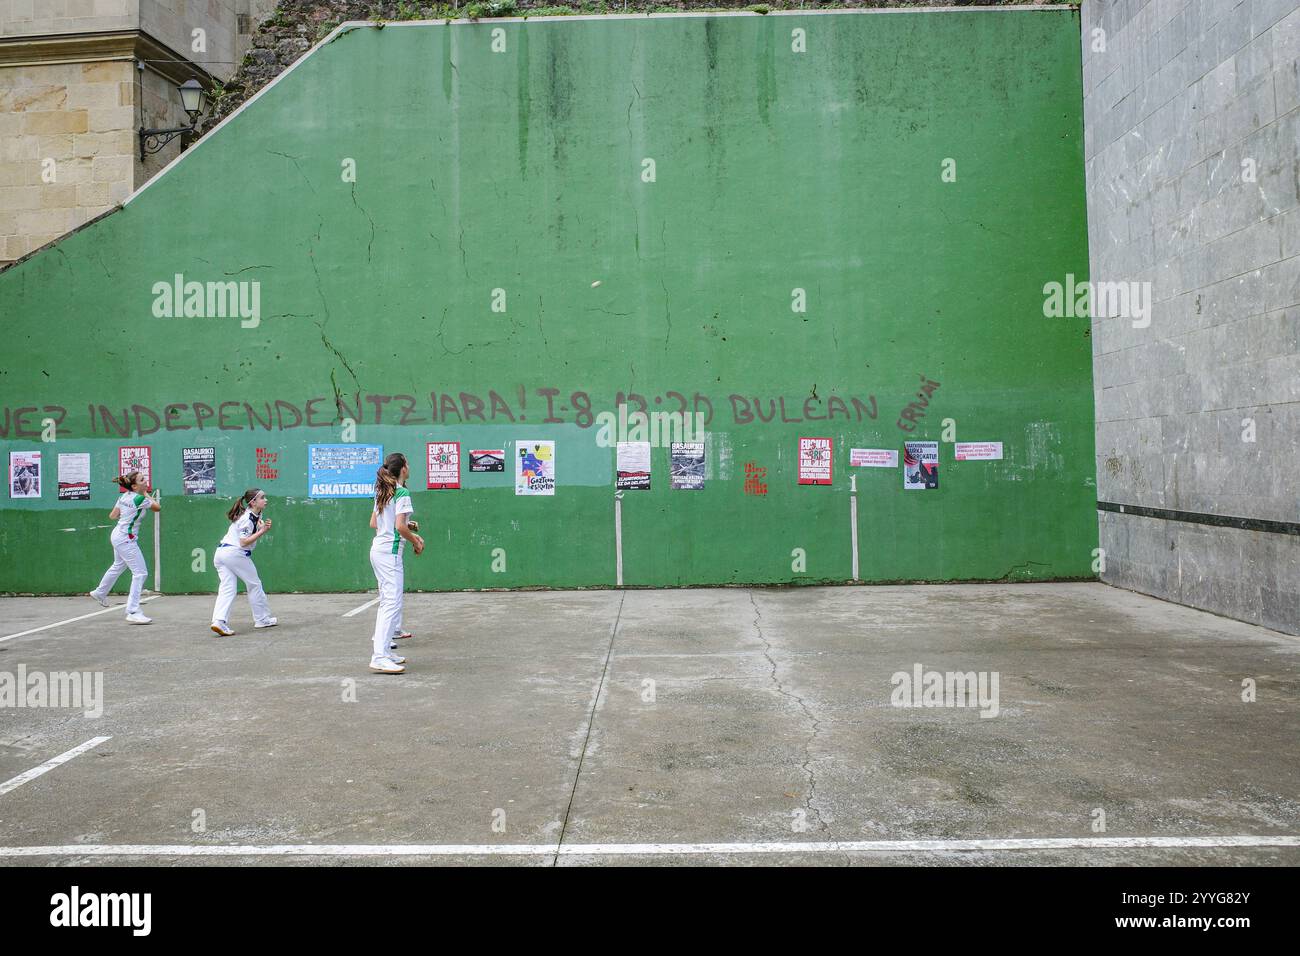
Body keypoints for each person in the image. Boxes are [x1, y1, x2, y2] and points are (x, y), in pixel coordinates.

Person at [368, 452, 423, 674]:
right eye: (407, 464)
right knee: (390, 604)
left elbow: (376, 523)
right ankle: (379, 656)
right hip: (389, 554)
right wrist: (416, 541)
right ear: (402, 469)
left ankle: (386, 653)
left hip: (379, 551)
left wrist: (409, 528)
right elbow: (399, 527)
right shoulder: (401, 492)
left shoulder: (383, 492)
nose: (409, 467)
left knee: (391, 602)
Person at [89, 472, 160, 624]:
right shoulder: (140, 498)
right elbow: (157, 507)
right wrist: (147, 494)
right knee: (140, 574)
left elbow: (113, 516)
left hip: (117, 535)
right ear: (134, 486)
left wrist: (128, 511)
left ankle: (100, 592)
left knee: (118, 565)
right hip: (126, 540)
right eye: (142, 480)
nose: (145, 481)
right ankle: (133, 611)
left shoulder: (123, 497)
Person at [210, 488, 276, 636]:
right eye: (262, 498)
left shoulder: (252, 515)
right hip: (234, 554)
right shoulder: (247, 518)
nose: (266, 500)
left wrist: (259, 528)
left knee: (228, 588)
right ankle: (262, 619)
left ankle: (219, 622)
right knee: (254, 584)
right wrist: (262, 531)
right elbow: (243, 542)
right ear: (253, 502)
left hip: (221, 554)